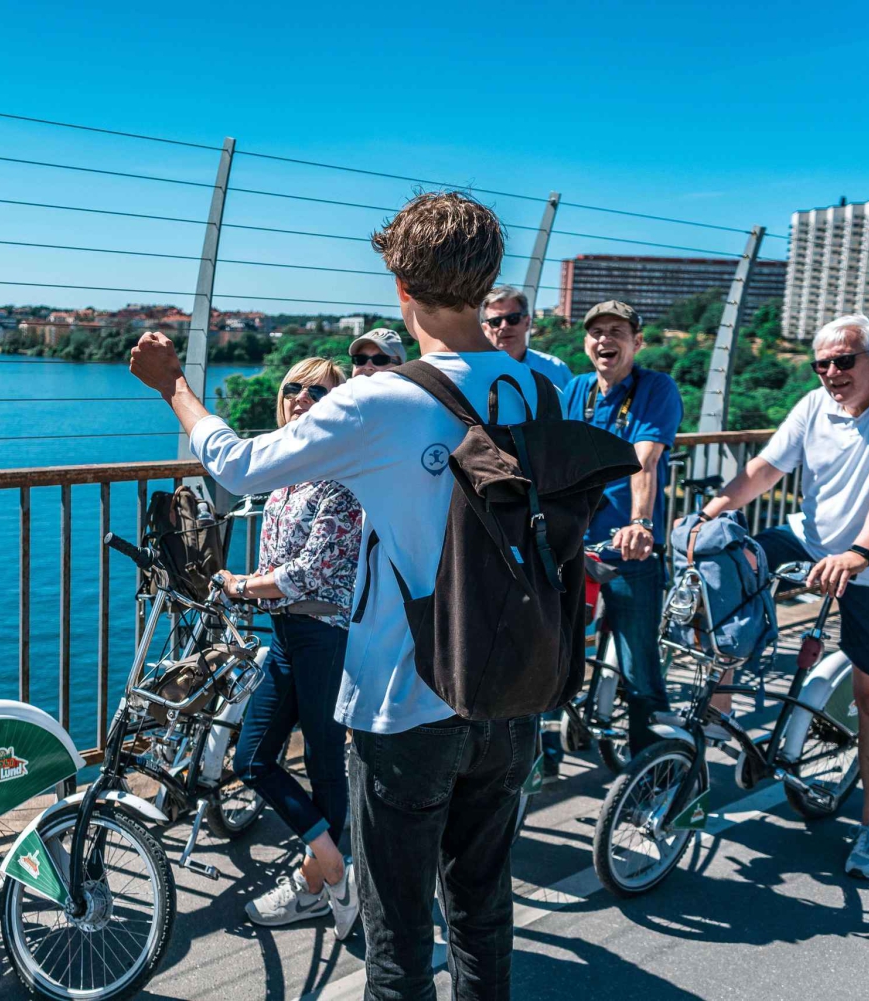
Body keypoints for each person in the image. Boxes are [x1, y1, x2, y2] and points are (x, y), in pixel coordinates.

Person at [131, 190, 540, 1001]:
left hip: (408, 705)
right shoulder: (530, 388)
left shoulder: (381, 399)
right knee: (484, 916)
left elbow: (240, 466)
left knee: (395, 939)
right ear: (489, 278)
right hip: (509, 695)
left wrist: (174, 384)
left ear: (401, 286)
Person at [699, 313, 869, 881]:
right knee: (724, 571)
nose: (832, 372)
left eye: (845, 361)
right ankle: (720, 711)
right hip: (811, 539)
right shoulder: (815, 404)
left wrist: (860, 553)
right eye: (823, 363)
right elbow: (764, 469)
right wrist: (707, 516)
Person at [219, 357, 363, 937]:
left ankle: (321, 881)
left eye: (319, 389)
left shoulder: (345, 473)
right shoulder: (285, 464)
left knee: (328, 762)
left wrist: (240, 586)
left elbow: (306, 571)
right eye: (292, 387)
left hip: (325, 634)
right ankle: (333, 868)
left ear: (340, 401)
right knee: (252, 759)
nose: (302, 396)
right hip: (285, 633)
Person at [548, 300, 682, 774]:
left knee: (637, 660)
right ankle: (549, 738)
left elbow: (644, 460)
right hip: (574, 545)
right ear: (586, 342)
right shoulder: (574, 391)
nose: (605, 339)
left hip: (628, 547)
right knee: (549, 646)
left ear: (636, 342)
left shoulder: (654, 389)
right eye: (596, 332)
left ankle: (657, 772)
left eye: (617, 331)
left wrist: (641, 523)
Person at [481, 284, 571, 389]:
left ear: (527, 322)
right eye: (496, 321)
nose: (504, 326)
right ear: (485, 329)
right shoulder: (476, 370)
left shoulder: (556, 369)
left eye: (513, 318)